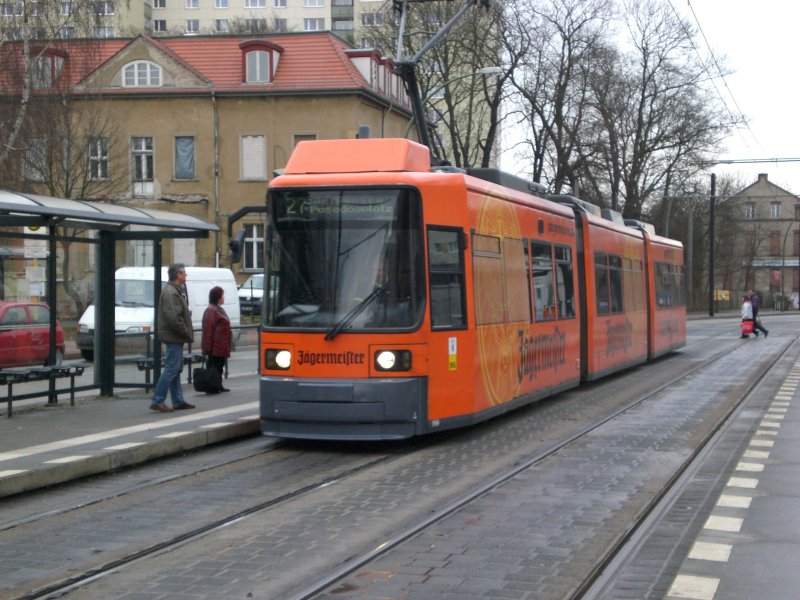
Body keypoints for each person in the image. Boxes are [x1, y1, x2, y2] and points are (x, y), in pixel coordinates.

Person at [150, 263, 195, 412]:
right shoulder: (171, 292)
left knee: (175, 369)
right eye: (184, 273)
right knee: (171, 368)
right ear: (178, 275)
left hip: (176, 336)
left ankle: (178, 400)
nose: (186, 276)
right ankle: (158, 400)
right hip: (174, 336)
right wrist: (185, 332)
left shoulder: (175, 290)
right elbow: (173, 318)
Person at [201, 285, 231, 393]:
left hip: (220, 345)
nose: (224, 298)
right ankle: (212, 386)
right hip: (216, 346)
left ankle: (217, 384)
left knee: (219, 366)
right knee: (215, 366)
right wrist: (207, 347)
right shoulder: (212, 310)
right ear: (218, 297)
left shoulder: (217, 309)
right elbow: (208, 330)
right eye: (223, 296)